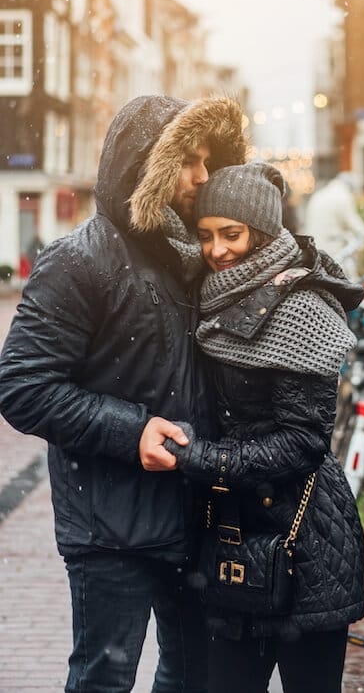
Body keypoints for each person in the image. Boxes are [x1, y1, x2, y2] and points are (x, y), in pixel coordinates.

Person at [0, 94, 247, 693]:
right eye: (187, 161)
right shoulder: (78, 261)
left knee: (193, 676)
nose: (202, 178)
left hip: (194, 511)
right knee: (104, 678)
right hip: (110, 524)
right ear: (145, 165)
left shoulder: (197, 258)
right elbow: (22, 385)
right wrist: (131, 430)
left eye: (209, 162)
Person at [163, 161, 364, 693]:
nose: (217, 250)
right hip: (231, 538)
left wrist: (202, 460)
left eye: (231, 234)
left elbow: (304, 442)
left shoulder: (303, 309)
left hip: (308, 545)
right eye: (206, 236)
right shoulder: (212, 295)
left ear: (263, 231)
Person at [303, 172, 364, 261]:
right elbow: (354, 224)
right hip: (332, 248)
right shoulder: (342, 196)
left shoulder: (320, 194)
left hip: (313, 246)